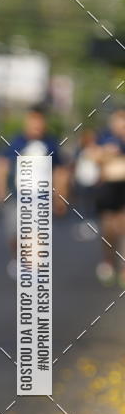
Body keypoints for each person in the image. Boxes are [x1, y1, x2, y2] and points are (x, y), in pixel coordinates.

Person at [0, 105, 69, 278]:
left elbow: (60, 171)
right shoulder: (16, 141)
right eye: (33, 120)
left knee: (37, 235)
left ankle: (32, 269)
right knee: (14, 232)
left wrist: (60, 197)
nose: (37, 125)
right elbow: (1, 165)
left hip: (42, 198)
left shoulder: (51, 143)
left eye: (40, 121)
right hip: (17, 196)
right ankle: (18, 258)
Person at [88, 106, 125, 286]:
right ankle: (109, 262)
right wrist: (106, 154)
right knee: (109, 228)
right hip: (109, 190)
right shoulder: (105, 137)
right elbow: (93, 156)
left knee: (123, 227)